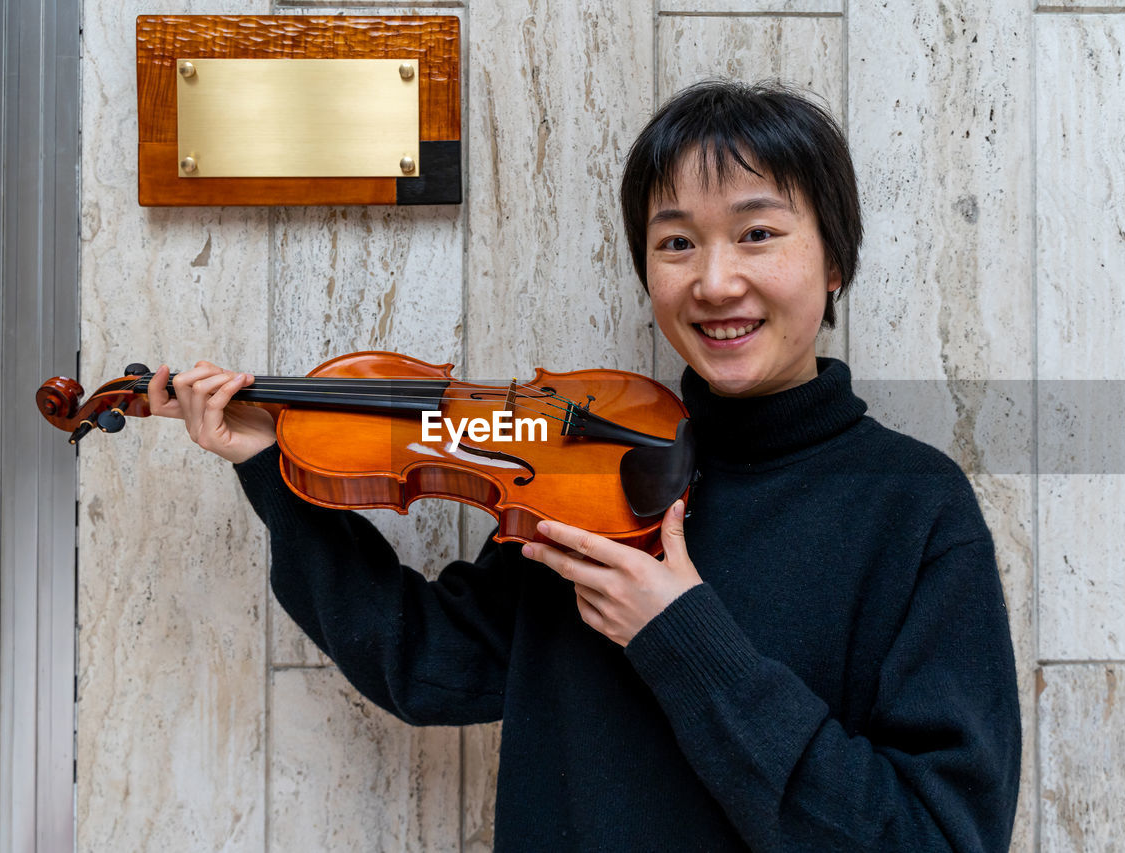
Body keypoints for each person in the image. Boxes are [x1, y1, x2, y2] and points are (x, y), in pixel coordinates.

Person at [149, 80, 1021, 851]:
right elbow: (426, 665)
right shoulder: (580, 465)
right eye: (676, 243)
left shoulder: (914, 506)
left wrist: (682, 634)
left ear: (834, 260)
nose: (715, 282)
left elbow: (936, 833)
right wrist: (272, 463)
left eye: (757, 233)